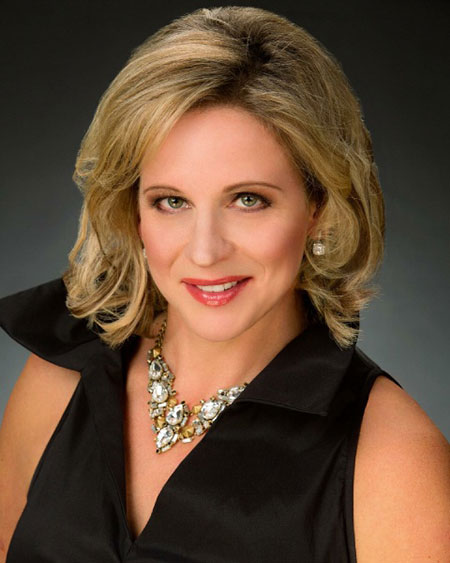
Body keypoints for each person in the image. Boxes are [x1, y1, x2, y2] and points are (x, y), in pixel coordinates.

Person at [0, 6, 449, 562]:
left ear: (318, 206)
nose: (205, 251)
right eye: (171, 202)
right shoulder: (61, 373)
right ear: (133, 210)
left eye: (248, 200)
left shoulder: (394, 461)